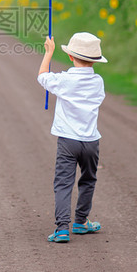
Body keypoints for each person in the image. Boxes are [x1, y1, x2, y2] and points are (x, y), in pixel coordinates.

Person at [37, 32, 107, 243]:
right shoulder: (98, 82)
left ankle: (61, 228)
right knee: (88, 179)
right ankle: (81, 221)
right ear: (95, 60)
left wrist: (48, 53)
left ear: (70, 56)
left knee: (63, 182)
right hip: (91, 141)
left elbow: (42, 76)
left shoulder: (65, 79)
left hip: (68, 141)